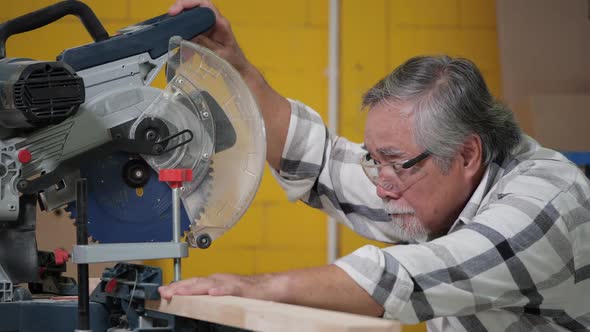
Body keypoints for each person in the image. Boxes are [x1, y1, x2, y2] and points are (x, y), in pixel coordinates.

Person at [160, 1, 590, 330]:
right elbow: (321, 158)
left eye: (396, 164)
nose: (382, 186)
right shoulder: (432, 182)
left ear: (467, 154)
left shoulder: (548, 203)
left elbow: (408, 275)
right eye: (374, 160)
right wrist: (235, 66)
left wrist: (256, 287)